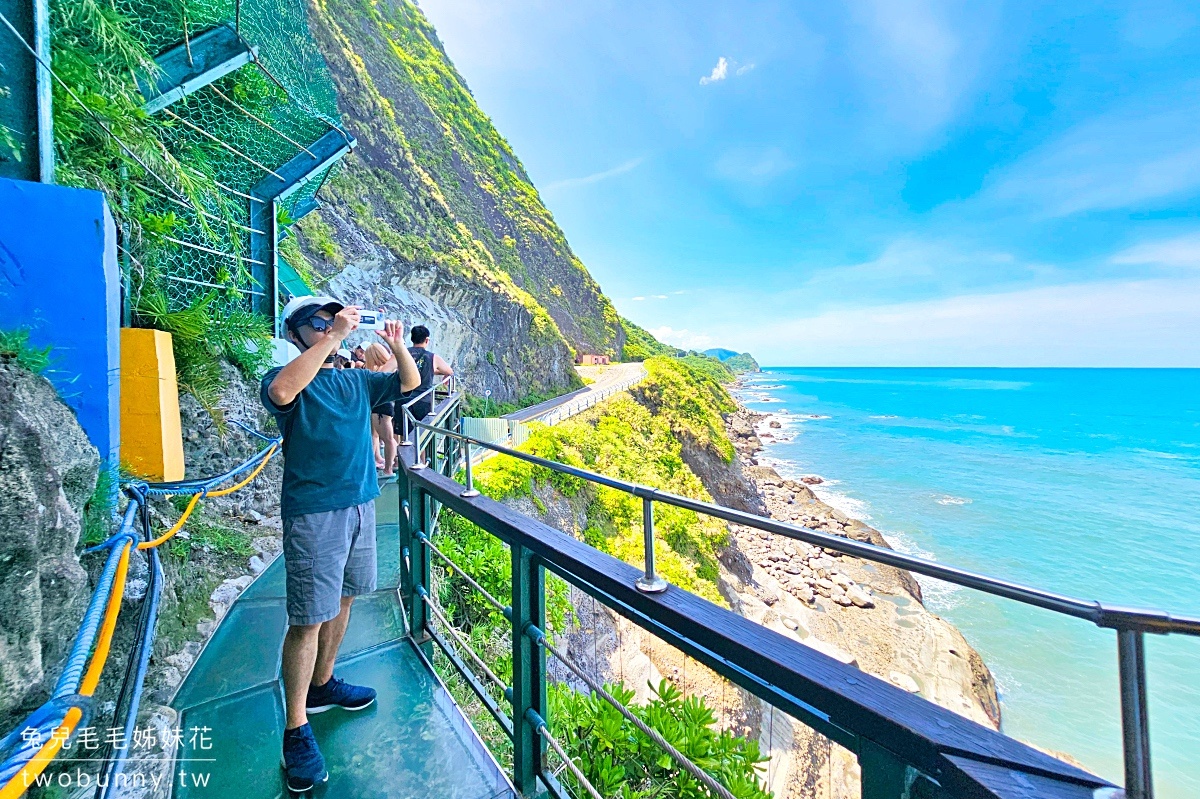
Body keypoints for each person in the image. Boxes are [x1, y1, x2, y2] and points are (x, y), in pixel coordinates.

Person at [260, 295, 421, 793]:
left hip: (360, 503)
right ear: (296, 332)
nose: (332, 325)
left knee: (346, 598)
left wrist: (397, 346)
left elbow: (410, 383)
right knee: (308, 617)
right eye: (320, 320)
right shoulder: (285, 375)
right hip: (314, 512)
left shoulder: (354, 379)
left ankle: (323, 683)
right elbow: (283, 392)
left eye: (335, 317)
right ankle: (296, 728)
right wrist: (335, 337)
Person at [400, 325, 453, 426]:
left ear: (412, 338)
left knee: (404, 435)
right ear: (427, 340)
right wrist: (439, 373)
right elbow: (449, 371)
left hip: (404, 399)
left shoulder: (403, 354)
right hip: (423, 400)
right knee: (424, 433)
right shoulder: (432, 357)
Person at [363, 342, 398, 476]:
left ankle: (388, 468)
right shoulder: (388, 369)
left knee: (387, 439)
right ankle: (383, 463)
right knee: (380, 437)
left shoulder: (377, 371)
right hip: (386, 406)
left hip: (380, 408)